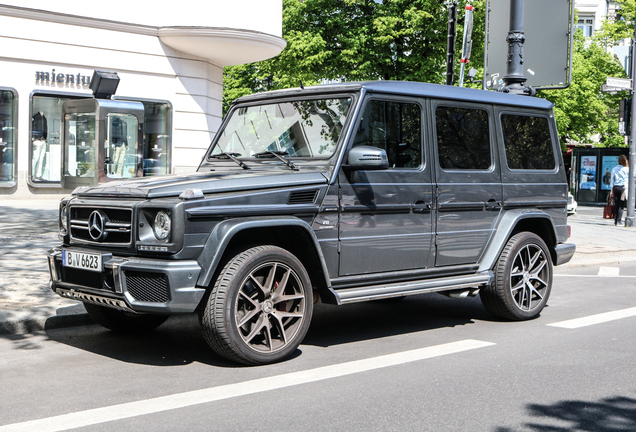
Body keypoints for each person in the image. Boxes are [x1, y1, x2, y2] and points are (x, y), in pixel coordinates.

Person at [610, 154, 629, 226]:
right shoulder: (627, 169)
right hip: (623, 188)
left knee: (616, 204)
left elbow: (612, 180)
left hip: (615, 187)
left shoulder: (614, 169)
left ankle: (615, 221)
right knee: (621, 205)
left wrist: (611, 191)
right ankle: (619, 221)